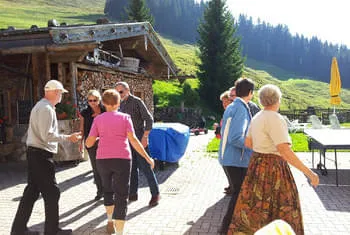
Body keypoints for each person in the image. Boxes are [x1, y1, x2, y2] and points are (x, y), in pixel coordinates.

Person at [228, 84, 319, 235]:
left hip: (256, 168)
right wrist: (310, 173)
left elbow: (248, 143)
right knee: (284, 207)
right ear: (277, 100)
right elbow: (284, 150)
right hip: (274, 169)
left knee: (254, 207)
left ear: (262, 100)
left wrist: (262, 146)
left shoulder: (257, 117)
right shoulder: (276, 118)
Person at [11, 80, 81, 235]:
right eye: (61, 93)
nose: (61, 96)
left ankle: (18, 229)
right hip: (41, 155)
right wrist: (68, 137)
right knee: (52, 192)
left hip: (36, 154)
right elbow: (46, 135)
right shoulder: (46, 109)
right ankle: (52, 231)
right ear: (55, 92)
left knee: (32, 192)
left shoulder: (42, 106)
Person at [85, 89, 154, 235]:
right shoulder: (125, 118)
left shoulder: (98, 119)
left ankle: (110, 221)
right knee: (122, 195)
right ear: (118, 103)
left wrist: (98, 138)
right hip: (122, 159)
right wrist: (147, 158)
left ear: (103, 103)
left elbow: (89, 143)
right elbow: (133, 140)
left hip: (102, 159)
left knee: (108, 190)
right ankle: (120, 232)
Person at [218, 78, 255, 234]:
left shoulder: (232, 106)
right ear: (251, 93)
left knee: (239, 194)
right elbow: (235, 138)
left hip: (228, 158)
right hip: (235, 160)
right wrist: (254, 147)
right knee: (239, 195)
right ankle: (226, 229)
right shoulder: (240, 108)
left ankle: (235, 227)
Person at [115, 82, 160, 207]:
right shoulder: (118, 104)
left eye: (121, 92)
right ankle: (133, 193)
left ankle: (155, 194)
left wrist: (145, 136)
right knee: (131, 168)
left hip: (139, 138)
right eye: (117, 92)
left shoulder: (137, 101)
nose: (119, 94)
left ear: (127, 90)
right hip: (126, 140)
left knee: (145, 167)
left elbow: (149, 119)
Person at [79, 90, 106, 201]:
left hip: (105, 143)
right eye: (90, 100)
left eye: (95, 100)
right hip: (91, 144)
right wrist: (80, 144)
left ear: (99, 100)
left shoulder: (105, 111)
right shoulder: (84, 113)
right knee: (96, 168)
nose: (92, 102)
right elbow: (82, 129)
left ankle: (109, 190)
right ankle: (100, 191)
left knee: (106, 167)